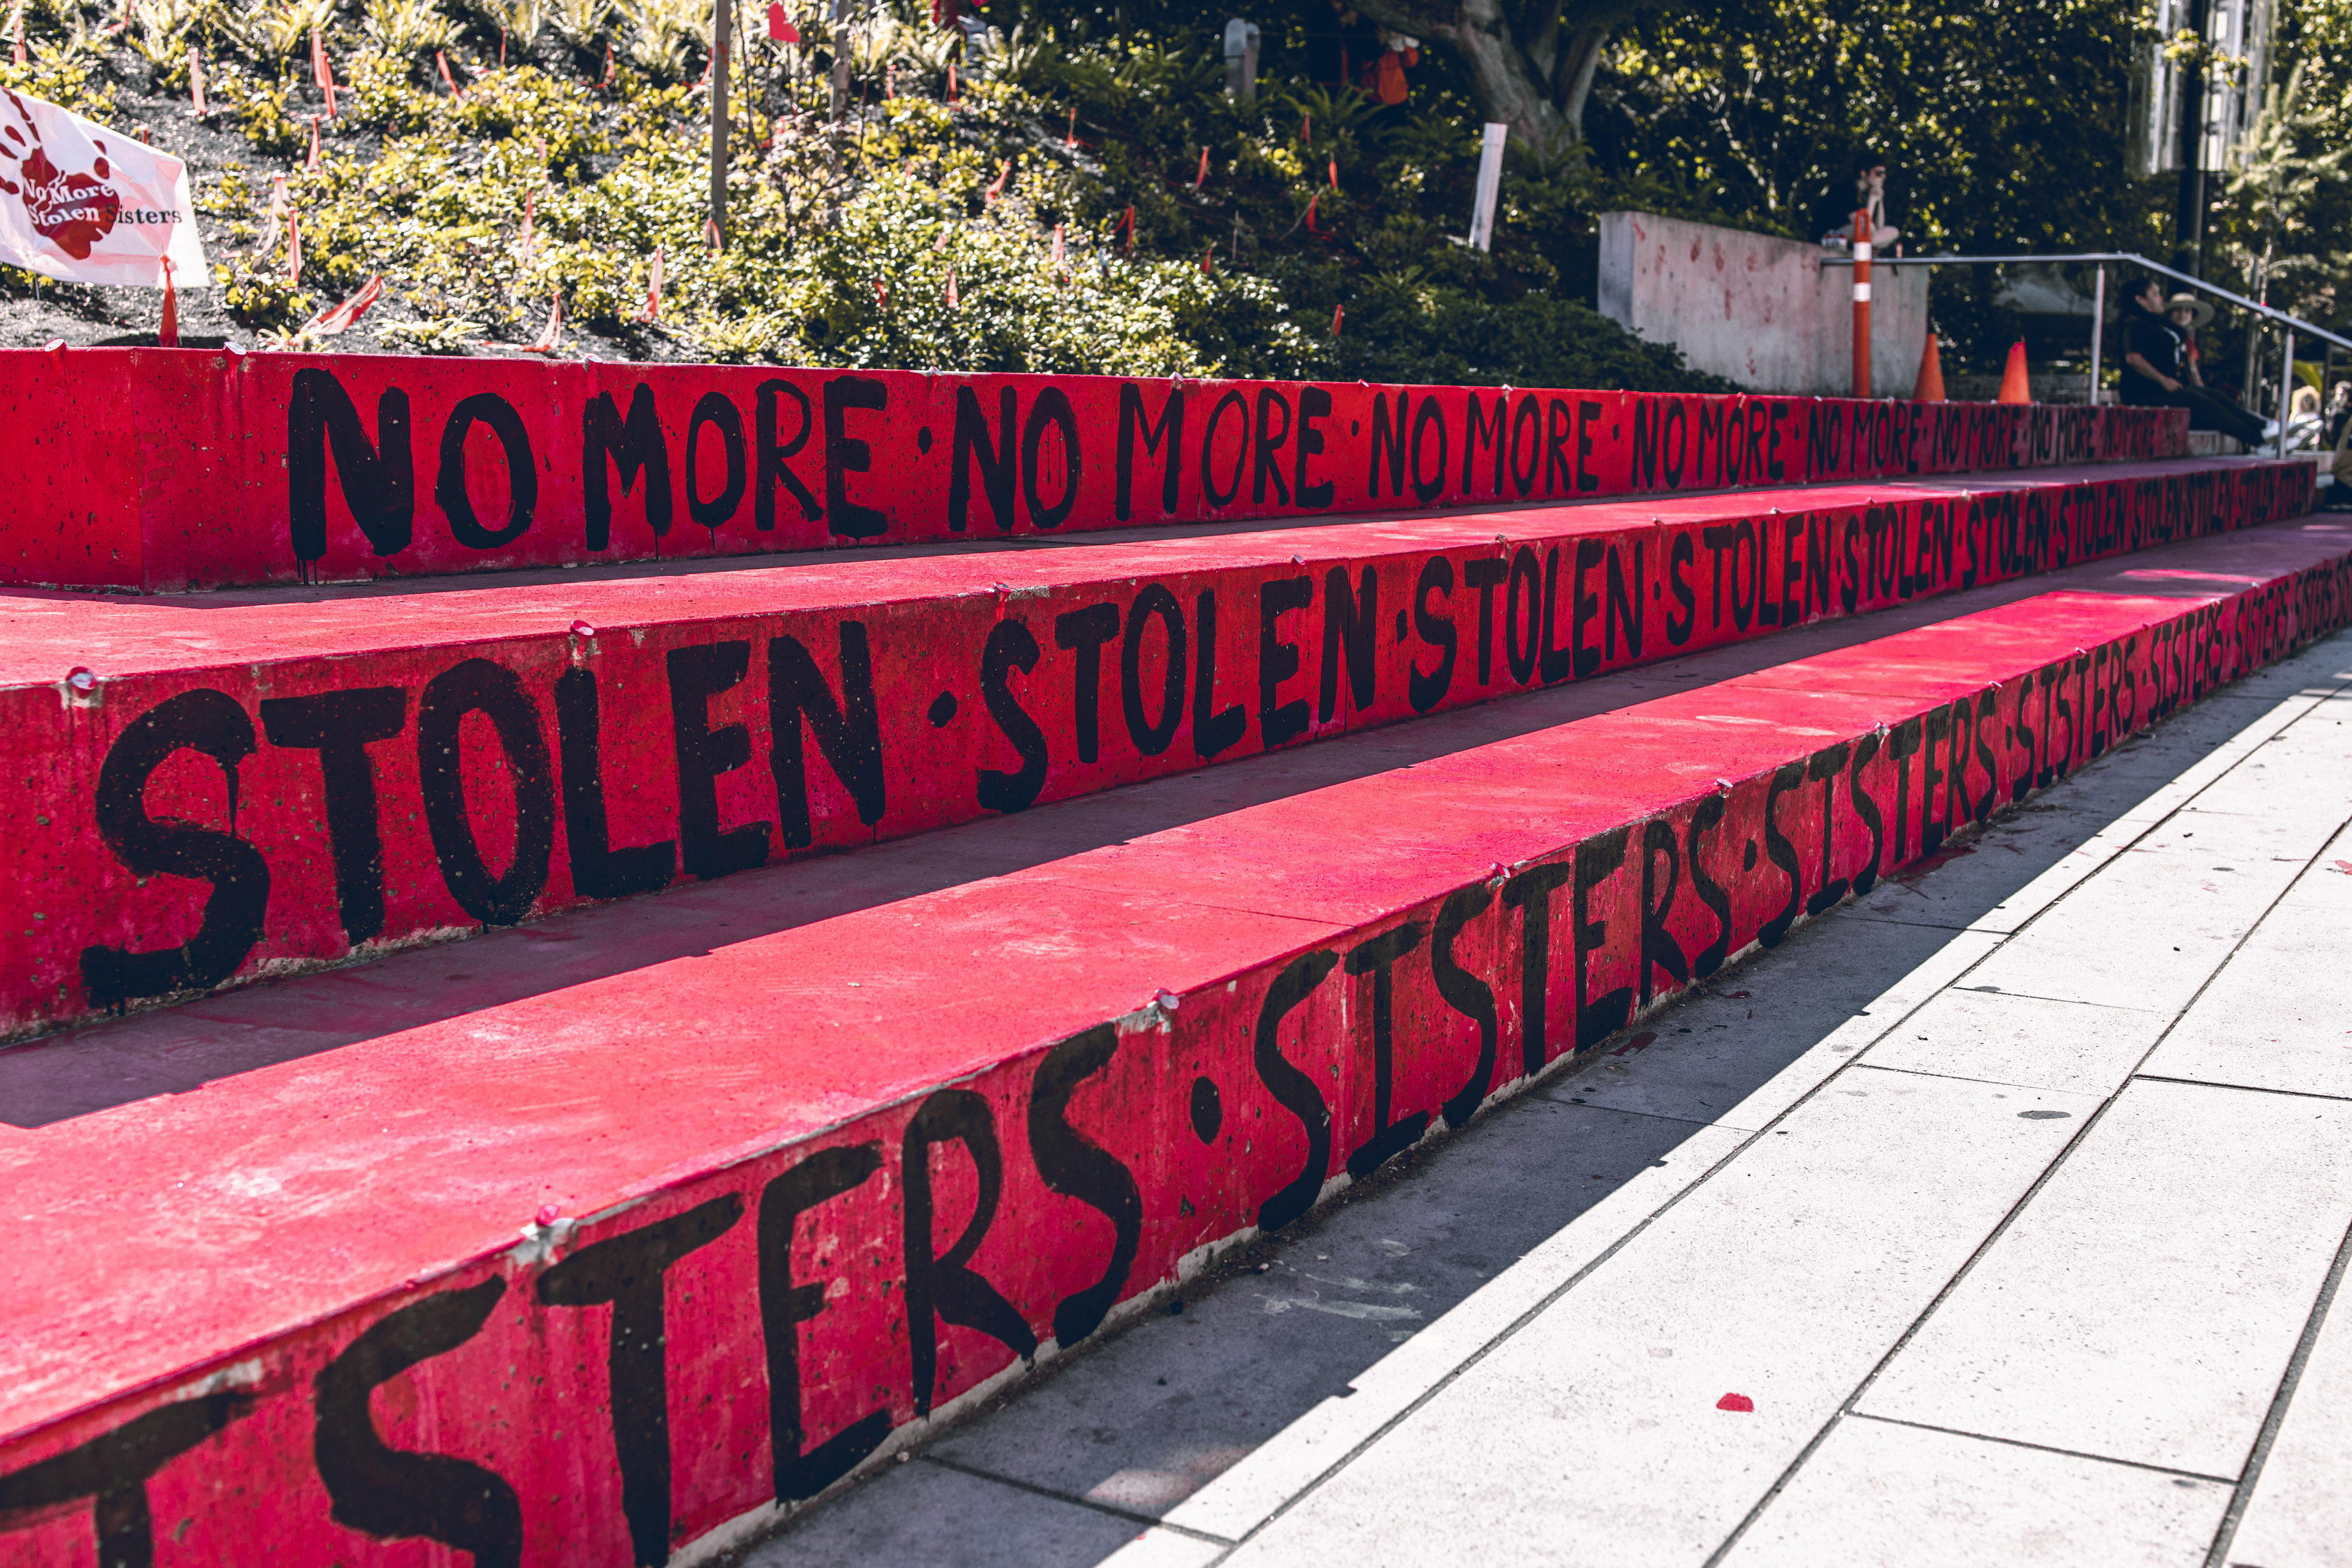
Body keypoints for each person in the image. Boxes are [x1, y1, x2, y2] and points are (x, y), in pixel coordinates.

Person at [2116, 276, 2273, 447]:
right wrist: (2163, 379)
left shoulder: (2159, 326)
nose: (2161, 298)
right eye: (2155, 294)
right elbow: (2133, 358)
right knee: (2203, 404)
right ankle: (2259, 441)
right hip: (2145, 392)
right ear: (2140, 299)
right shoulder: (2134, 323)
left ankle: (2266, 427)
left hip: (2167, 387)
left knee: (2217, 396)